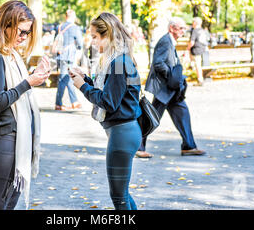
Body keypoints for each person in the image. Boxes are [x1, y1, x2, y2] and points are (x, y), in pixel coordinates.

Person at [0, 0, 51, 210]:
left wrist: (36, 77)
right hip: (4, 139)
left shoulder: (12, 56)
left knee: (7, 204)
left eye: (27, 33)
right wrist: (28, 82)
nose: (24, 37)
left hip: (15, 139)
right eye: (21, 31)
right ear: (5, 25)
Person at [69, 12, 142, 210]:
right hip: (124, 132)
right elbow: (111, 91)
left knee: (118, 196)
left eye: (94, 36)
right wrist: (86, 80)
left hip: (122, 133)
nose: (91, 41)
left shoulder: (118, 63)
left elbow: (109, 102)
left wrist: (82, 87)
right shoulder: (119, 59)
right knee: (122, 194)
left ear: (107, 35)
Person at [136, 17, 205, 158]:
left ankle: (188, 146)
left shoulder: (170, 41)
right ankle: (138, 147)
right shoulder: (165, 41)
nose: (183, 31)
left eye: (184, 28)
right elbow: (158, 63)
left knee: (183, 114)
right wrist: (172, 75)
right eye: (181, 28)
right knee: (151, 118)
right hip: (164, 89)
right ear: (172, 28)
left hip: (171, 90)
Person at [53, 9, 84, 110]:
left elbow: (56, 40)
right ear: (73, 17)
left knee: (68, 78)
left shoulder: (60, 27)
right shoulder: (74, 28)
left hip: (60, 55)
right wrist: (78, 48)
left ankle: (74, 102)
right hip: (69, 56)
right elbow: (80, 44)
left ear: (66, 16)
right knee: (64, 78)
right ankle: (58, 104)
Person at [187, 17, 208, 86]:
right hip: (202, 50)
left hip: (196, 50)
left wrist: (187, 48)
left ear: (195, 23)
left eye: (193, 22)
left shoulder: (195, 31)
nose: (192, 24)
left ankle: (200, 80)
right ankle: (191, 64)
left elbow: (192, 42)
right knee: (197, 64)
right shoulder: (202, 30)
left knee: (198, 66)